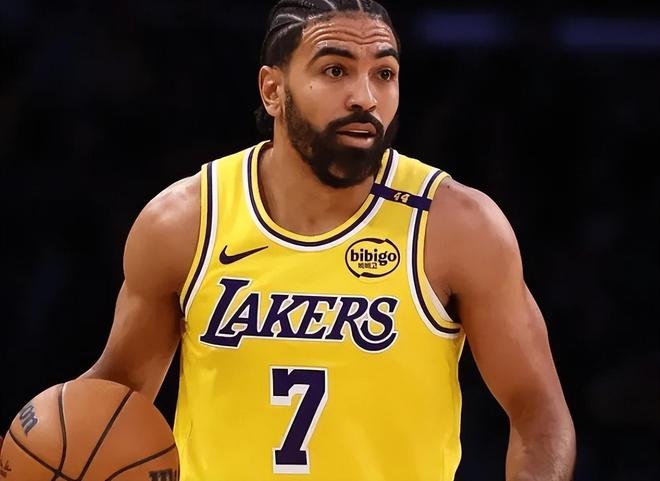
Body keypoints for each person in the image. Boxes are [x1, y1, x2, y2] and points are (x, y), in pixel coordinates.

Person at [1, 1, 576, 479]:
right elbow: (116, 397)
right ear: (272, 90)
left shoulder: (458, 226)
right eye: (335, 70)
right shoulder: (185, 222)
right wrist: (45, 447)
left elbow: (539, 414)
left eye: (384, 73)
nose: (365, 96)